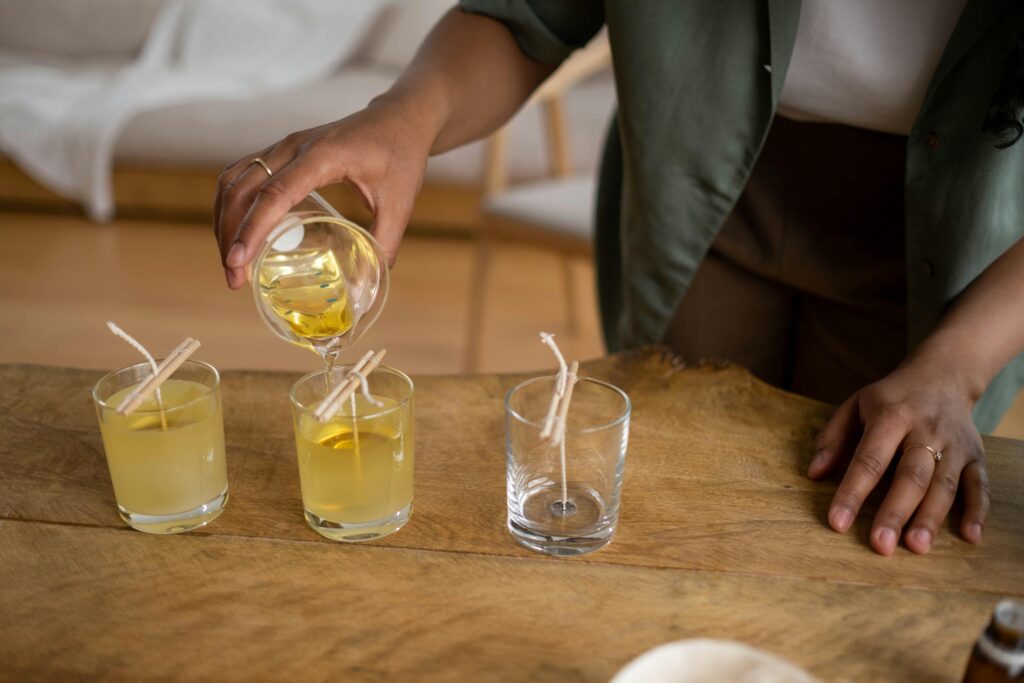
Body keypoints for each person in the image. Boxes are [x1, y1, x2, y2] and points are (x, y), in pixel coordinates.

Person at [212, 1, 1024, 557]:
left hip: (953, 234)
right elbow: (530, 13)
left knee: (859, 525)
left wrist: (957, 364)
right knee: (675, 509)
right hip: (696, 188)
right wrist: (408, 114)